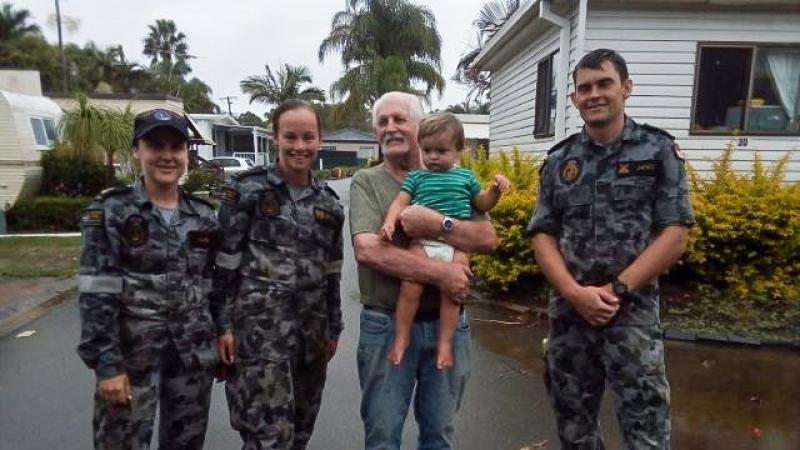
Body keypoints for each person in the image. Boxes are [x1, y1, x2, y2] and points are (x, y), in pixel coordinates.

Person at [529, 48, 695, 449]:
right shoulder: (559, 161)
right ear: (573, 99)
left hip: (632, 318)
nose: (594, 94)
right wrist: (574, 293)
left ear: (626, 87)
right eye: (583, 88)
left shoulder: (657, 151)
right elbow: (542, 234)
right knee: (574, 430)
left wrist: (616, 290)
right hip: (570, 319)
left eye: (604, 83)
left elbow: (675, 234)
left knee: (647, 432)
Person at [350, 92, 498, 450]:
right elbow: (368, 249)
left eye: (399, 119)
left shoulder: (457, 178)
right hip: (386, 323)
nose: (391, 128)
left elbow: (486, 237)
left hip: (448, 325)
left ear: (419, 127)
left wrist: (436, 223)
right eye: (382, 122)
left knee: (439, 436)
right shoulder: (366, 182)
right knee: (382, 436)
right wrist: (440, 274)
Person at [76, 108, 220, 449]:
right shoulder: (111, 211)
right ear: (137, 151)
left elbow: (214, 286)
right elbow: (97, 293)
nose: (167, 156)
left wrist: (218, 340)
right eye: (156, 146)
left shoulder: (203, 216)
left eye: (176, 146)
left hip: (190, 359)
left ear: (187, 154)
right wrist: (107, 365)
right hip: (131, 360)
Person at [213, 99, 344, 450]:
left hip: (311, 340)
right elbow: (225, 263)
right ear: (275, 137)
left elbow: (332, 272)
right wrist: (223, 326)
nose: (299, 146)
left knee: (299, 434)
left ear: (319, 140)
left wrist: (334, 327)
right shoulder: (247, 190)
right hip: (259, 339)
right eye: (290, 137)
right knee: (267, 438)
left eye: (308, 137)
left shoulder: (329, 203)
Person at [380, 112, 510, 370]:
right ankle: (402, 338)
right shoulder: (417, 177)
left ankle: (444, 346)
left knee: (454, 293)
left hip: (457, 247)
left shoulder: (466, 178)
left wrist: (495, 191)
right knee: (409, 287)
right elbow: (400, 203)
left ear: (459, 150)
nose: (432, 157)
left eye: (441, 150)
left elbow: (482, 203)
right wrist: (389, 222)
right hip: (422, 243)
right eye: (426, 150)